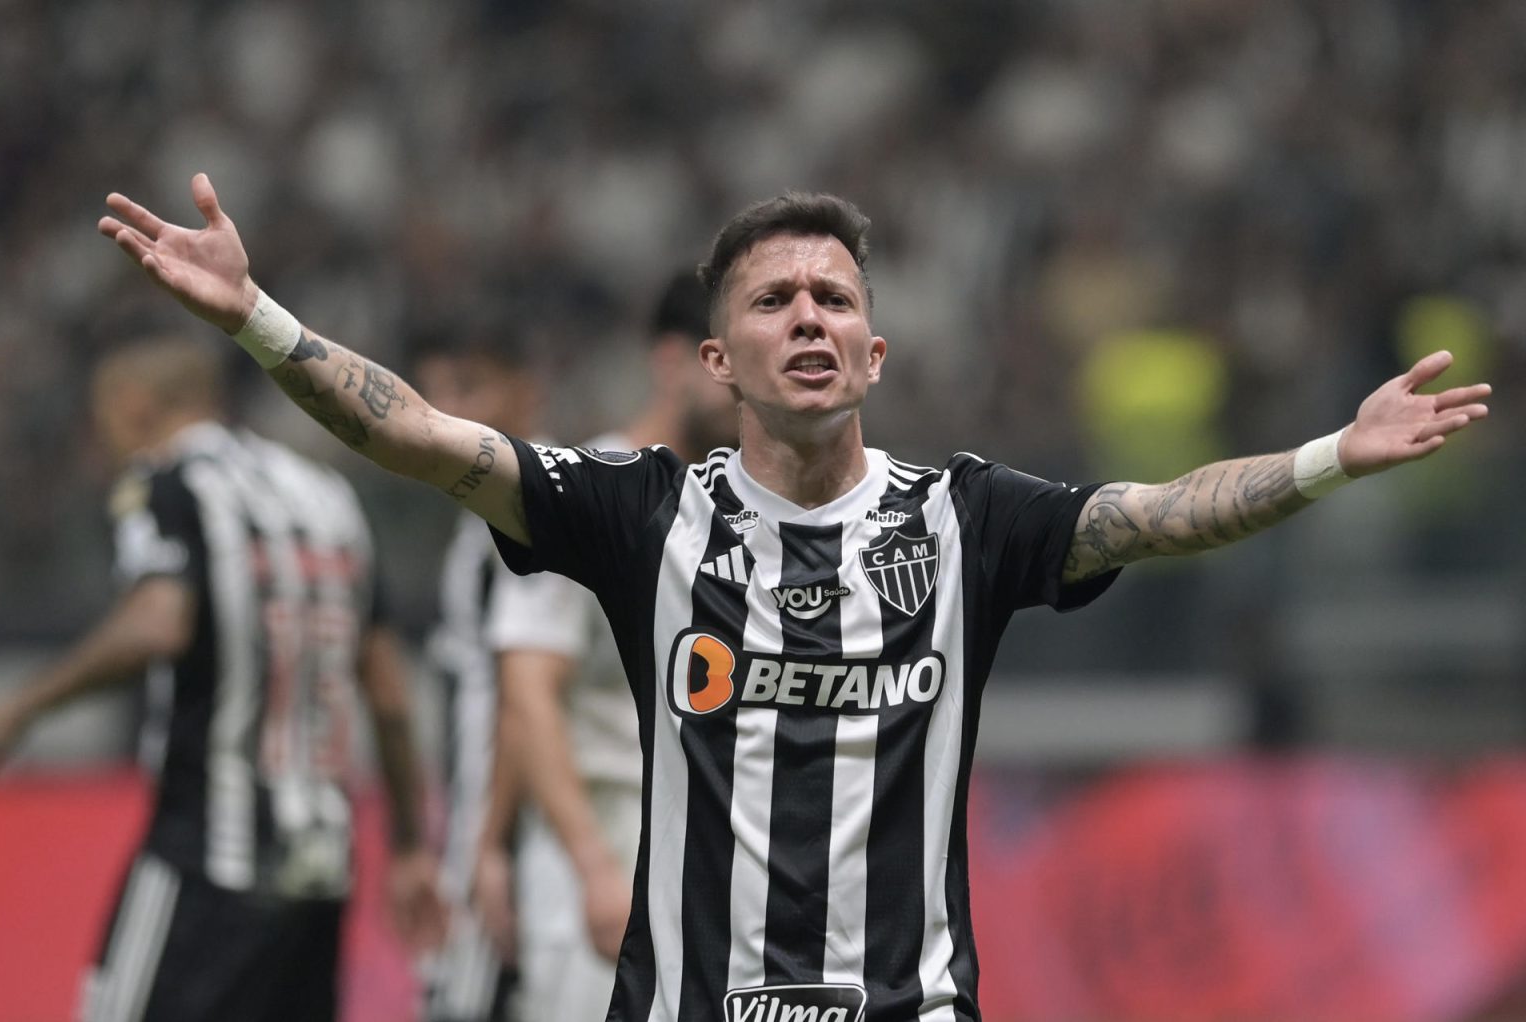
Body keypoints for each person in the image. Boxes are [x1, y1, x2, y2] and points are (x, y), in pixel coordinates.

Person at [98, 176, 1490, 1022]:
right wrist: (255, 318)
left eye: (834, 297)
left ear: (875, 352)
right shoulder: (643, 512)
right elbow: (416, 431)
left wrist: (1327, 456)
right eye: (775, 300)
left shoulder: (966, 516)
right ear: (721, 354)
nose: (810, 316)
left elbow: (1165, 514)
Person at [0, 333, 447, 1022]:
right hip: (318, 869)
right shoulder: (329, 497)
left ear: (132, 404)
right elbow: (388, 696)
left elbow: (158, 620)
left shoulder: (166, 481)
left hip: (206, 858)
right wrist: (410, 846)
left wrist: (24, 705)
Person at [476, 271, 738, 1022]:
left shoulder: (740, 506)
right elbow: (526, 690)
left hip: (706, 861)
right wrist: (589, 864)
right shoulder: (588, 489)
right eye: (727, 372)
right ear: (673, 361)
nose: (747, 397)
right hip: (601, 849)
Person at [410, 326, 569, 1022]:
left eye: (467, 386)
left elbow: (524, 697)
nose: (443, 409)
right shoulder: (475, 532)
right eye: (432, 390)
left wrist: (489, 847)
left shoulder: (528, 525)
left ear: (525, 392)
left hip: (518, 851)